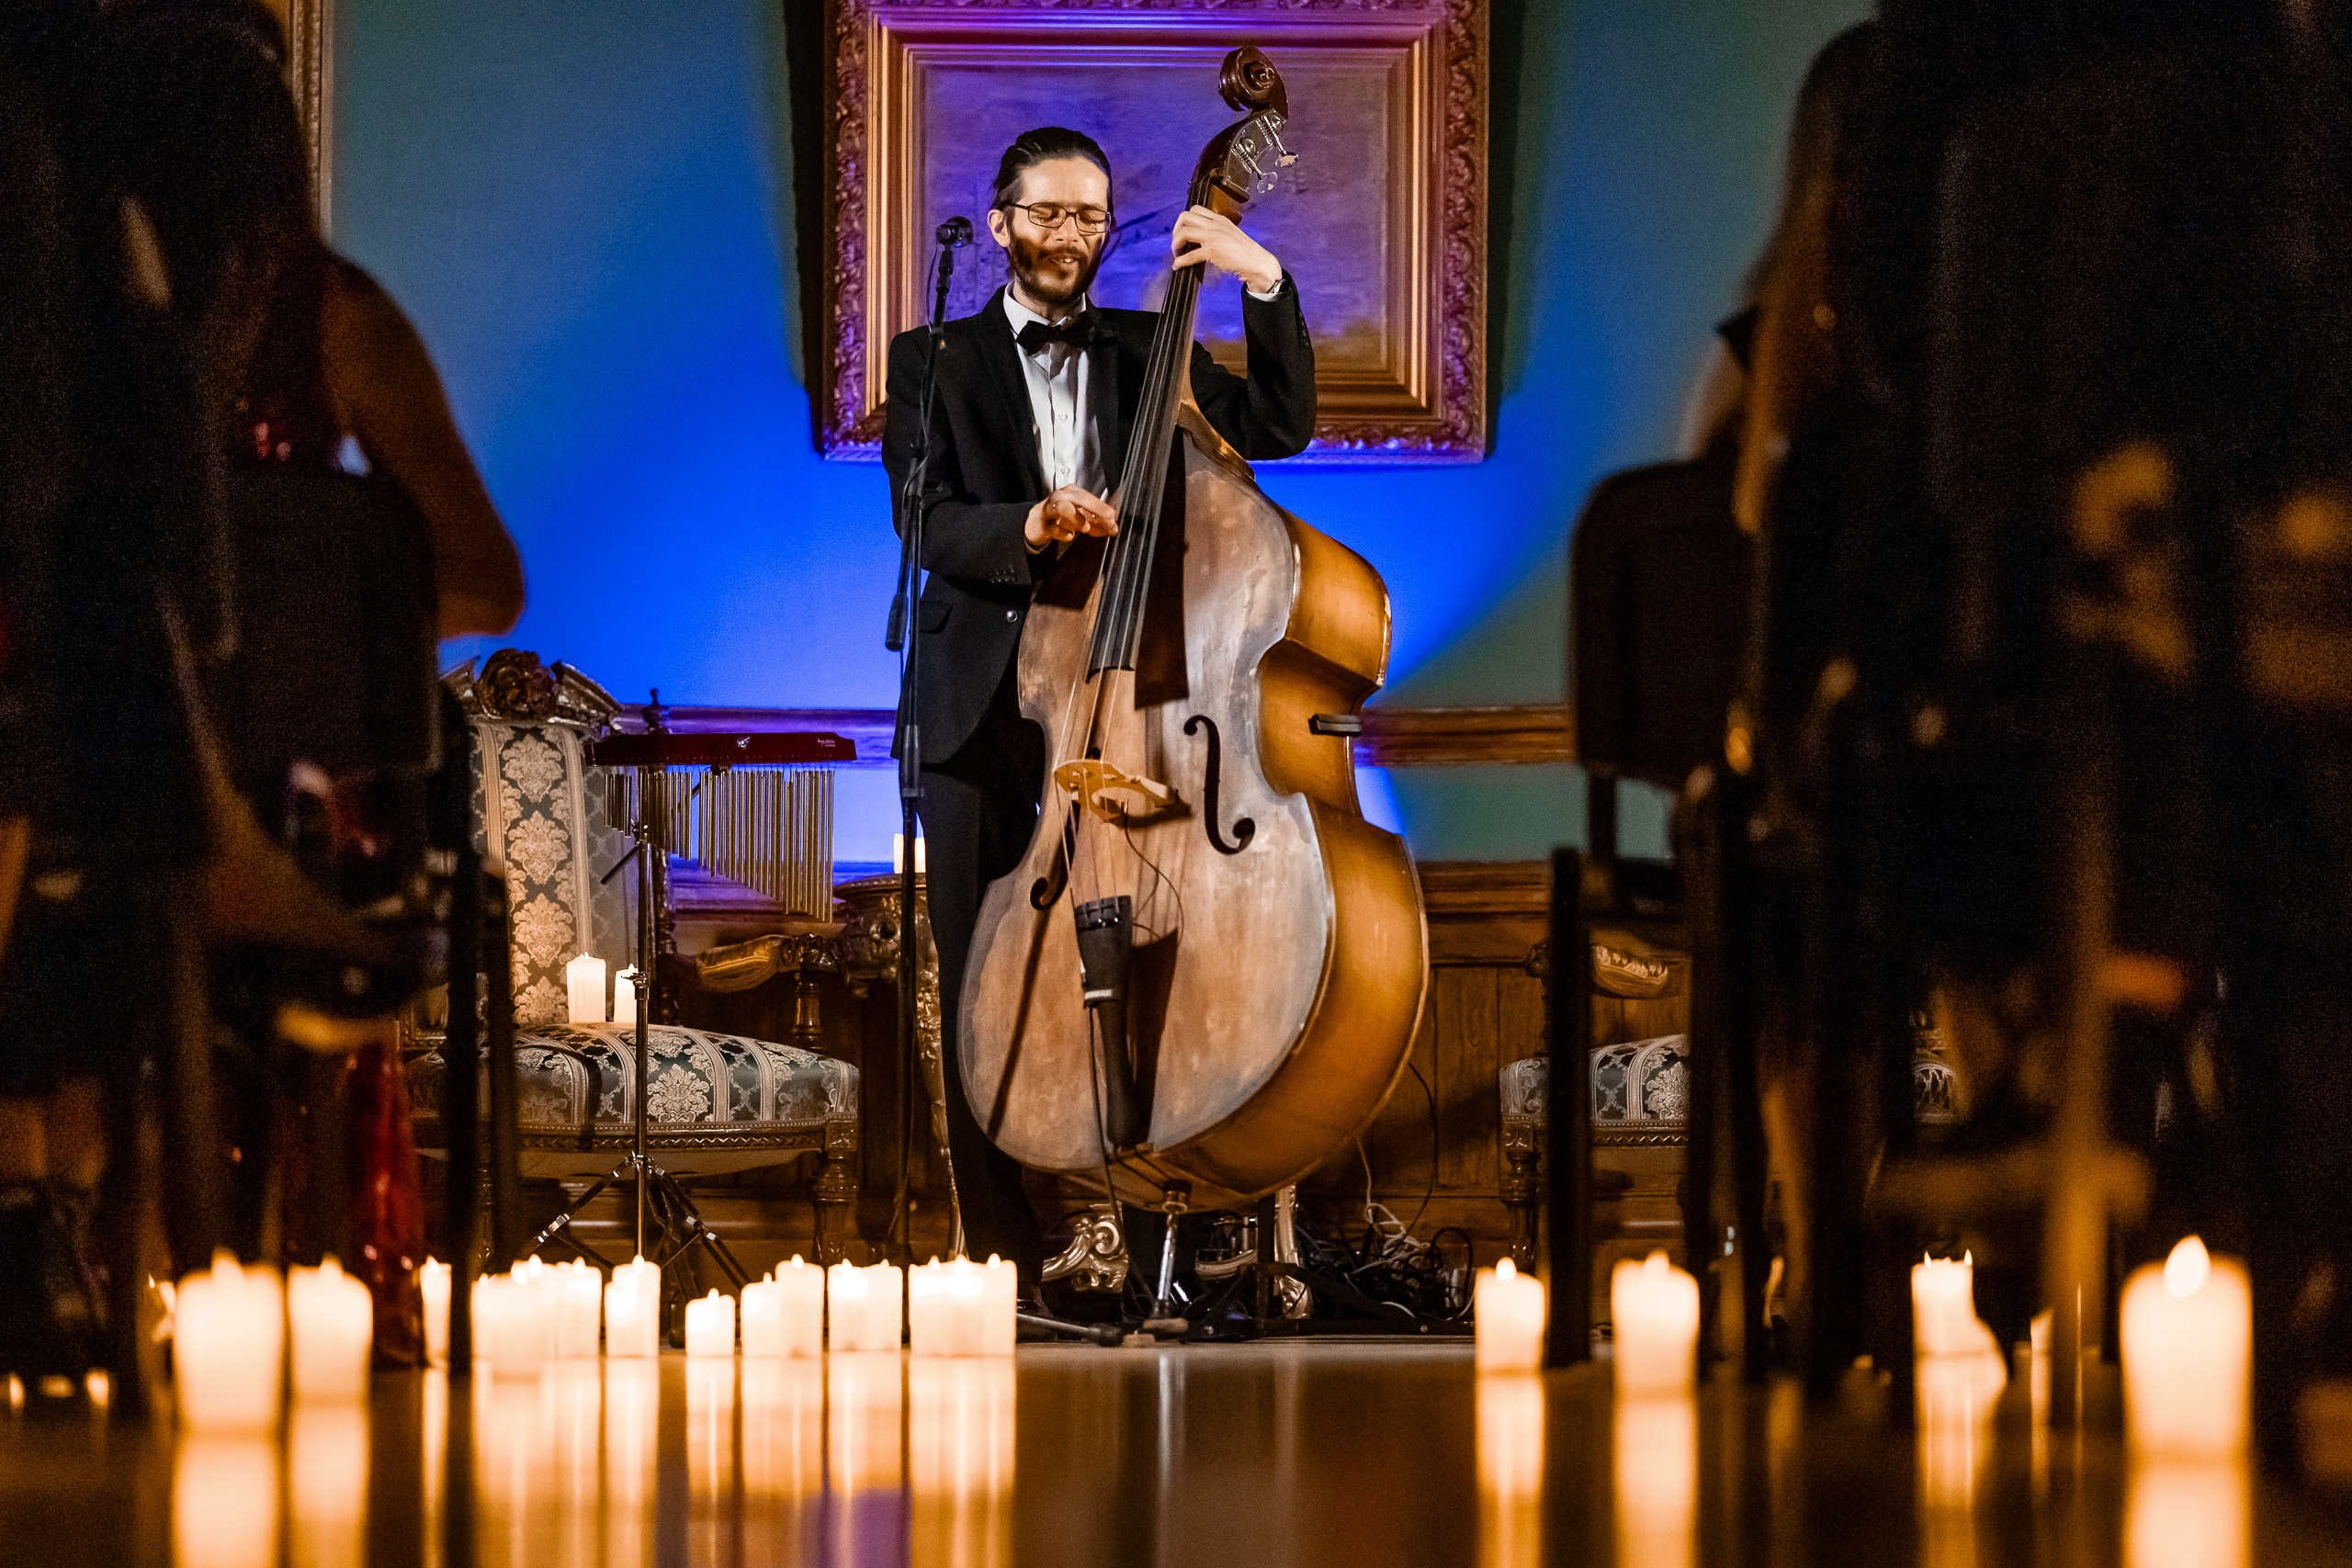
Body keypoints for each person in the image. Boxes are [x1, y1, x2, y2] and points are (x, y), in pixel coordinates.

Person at [880, 126, 1317, 1286]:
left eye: (1090, 219)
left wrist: (1257, 276)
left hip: (1131, 700)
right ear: (1004, 218)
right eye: (1047, 215)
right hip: (976, 707)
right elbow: (922, 519)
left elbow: (1278, 428)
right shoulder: (929, 358)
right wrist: (1026, 524)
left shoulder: (1148, 349)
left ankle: (1143, 1232)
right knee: (987, 983)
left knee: (1135, 962)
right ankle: (1003, 1257)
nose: (1069, 238)